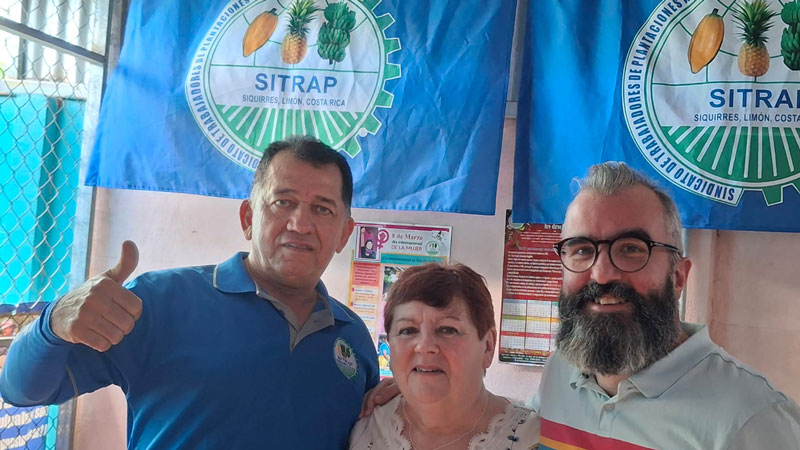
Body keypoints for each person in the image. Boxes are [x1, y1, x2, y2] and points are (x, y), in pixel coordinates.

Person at [0, 136, 379, 449]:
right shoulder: (157, 301)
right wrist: (52, 325)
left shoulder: (354, 339)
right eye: (283, 202)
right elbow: (20, 390)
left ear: (344, 234)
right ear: (249, 218)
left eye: (323, 209)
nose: (300, 223)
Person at [532, 162, 800, 449]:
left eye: (631, 249)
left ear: (678, 277)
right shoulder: (559, 371)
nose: (601, 273)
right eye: (582, 250)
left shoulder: (754, 420)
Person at [349, 263, 539, 450]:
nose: (424, 346)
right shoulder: (365, 428)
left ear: (488, 346)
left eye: (447, 330)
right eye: (408, 330)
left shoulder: (534, 438)